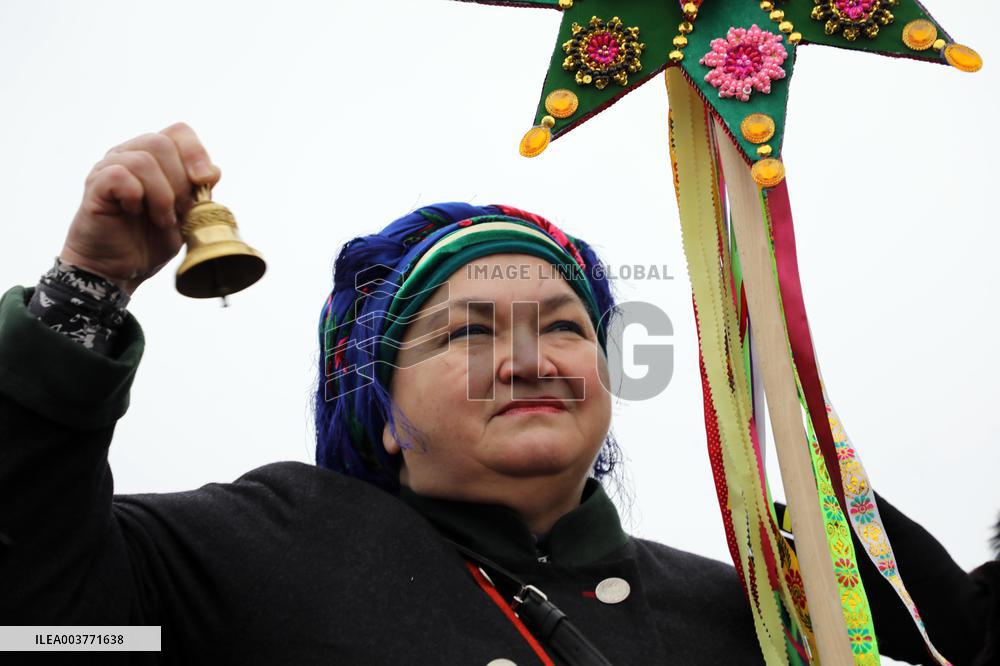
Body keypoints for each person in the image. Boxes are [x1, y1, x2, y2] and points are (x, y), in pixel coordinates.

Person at [0, 123, 996, 665]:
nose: (530, 359)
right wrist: (84, 293)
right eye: (468, 333)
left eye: (563, 327)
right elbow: (40, 605)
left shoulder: (757, 611)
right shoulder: (259, 552)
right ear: (380, 417)